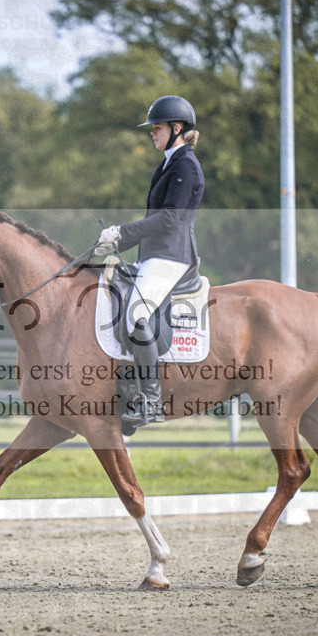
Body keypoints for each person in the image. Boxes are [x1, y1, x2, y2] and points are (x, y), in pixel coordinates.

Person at [96, 95, 205, 426]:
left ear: (176, 128)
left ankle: (152, 403)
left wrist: (123, 233)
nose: (152, 134)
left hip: (172, 257)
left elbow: (170, 220)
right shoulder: (169, 162)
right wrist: (121, 241)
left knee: (137, 315)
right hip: (155, 255)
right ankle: (128, 391)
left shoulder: (185, 165)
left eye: (156, 128)